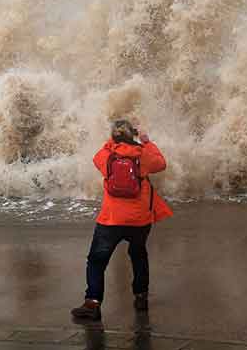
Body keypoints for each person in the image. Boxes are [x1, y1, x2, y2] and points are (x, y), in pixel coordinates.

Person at [71, 119, 173, 321]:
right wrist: (145, 140)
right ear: (132, 135)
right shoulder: (143, 155)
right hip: (139, 219)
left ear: (114, 137)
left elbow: (96, 157)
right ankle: (141, 296)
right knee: (138, 254)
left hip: (111, 220)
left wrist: (114, 140)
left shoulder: (106, 156)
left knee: (97, 260)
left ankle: (92, 303)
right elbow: (161, 163)